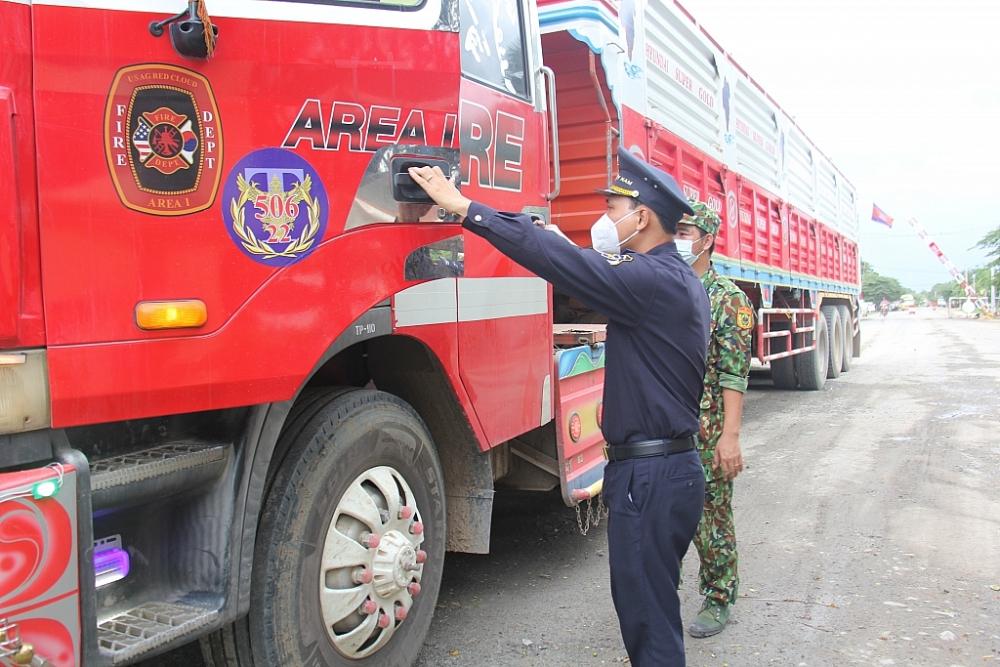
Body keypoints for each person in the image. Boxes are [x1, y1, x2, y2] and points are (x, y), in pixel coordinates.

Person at [409, 147, 709, 666]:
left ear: (642, 218)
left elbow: (568, 265)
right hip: (665, 472)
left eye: (614, 210)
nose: (606, 220)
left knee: (649, 622)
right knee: (652, 608)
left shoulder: (651, 281)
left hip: (653, 476)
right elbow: (578, 264)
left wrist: (465, 207)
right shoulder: (672, 280)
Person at [674, 201, 753, 638]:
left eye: (687, 232)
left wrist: (730, 437)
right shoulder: (670, 287)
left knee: (711, 517)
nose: (679, 238)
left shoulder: (728, 300)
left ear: (707, 240)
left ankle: (720, 596)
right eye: (677, 230)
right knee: (666, 513)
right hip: (668, 423)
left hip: (707, 428)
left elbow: (733, 374)